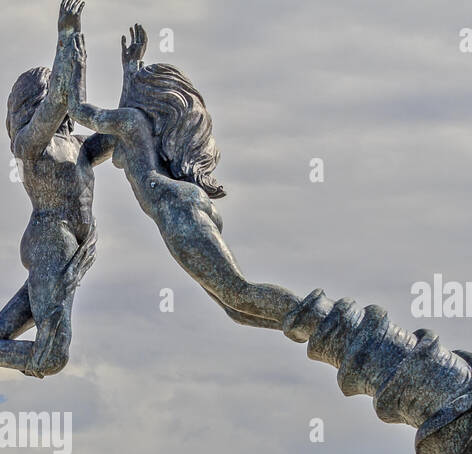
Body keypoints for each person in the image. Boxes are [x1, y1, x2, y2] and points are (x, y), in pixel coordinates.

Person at [67, 21, 300, 331]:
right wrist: (131, 68)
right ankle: (307, 329)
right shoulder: (138, 127)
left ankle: (322, 319)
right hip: (186, 203)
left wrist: (74, 63)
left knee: (239, 292)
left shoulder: (131, 123)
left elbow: (80, 110)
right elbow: (123, 114)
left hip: (176, 208)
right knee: (236, 309)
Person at [0, 0, 113, 380]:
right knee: (50, 356)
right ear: (33, 102)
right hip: (50, 241)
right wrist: (66, 38)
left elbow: (99, 119)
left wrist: (129, 75)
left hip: (71, 243)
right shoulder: (29, 145)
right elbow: (60, 102)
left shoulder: (78, 144)